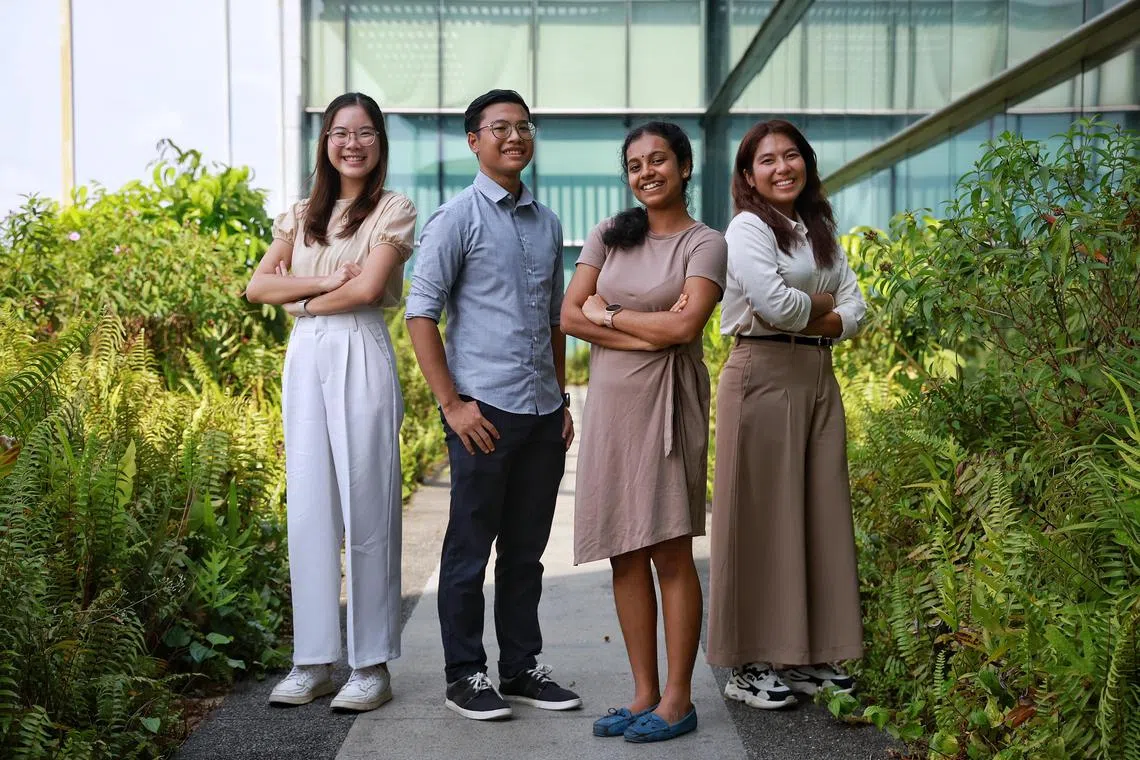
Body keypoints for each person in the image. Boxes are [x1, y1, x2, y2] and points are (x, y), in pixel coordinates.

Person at [404, 89, 580, 722]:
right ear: (475, 141)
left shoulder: (549, 221)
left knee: (526, 554)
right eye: (499, 127)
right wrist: (452, 405)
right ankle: (465, 674)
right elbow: (420, 314)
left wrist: (561, 399)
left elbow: (556, 319)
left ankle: (522, 668)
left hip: (539, 414)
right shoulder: (455, 218)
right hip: (483, 414)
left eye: (524, 127)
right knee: (469, 550)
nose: (515, 137)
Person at [245, 92, 416, 712]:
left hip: (360, 347)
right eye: (341, 133)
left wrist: (300, 299)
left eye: (365, 132)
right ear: (325, 142)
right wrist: (319, 284)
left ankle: (370, 665)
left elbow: (369, 288)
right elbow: (258, 286)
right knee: (312, 503)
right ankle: (313, 660)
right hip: (306, 356)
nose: (352, 143)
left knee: (367, 502)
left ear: (379, 142)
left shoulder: (393, 209)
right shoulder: (300, 214)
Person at [561, 122, 726, 743]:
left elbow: (686, 330)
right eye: (635, 165)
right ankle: (643, 693)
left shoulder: (706, 242)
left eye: (659, 160)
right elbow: (570, 314)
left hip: (668, 404)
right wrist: (644, 326)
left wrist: (612, 314)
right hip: (610, 406)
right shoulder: (609, 233)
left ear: (684, 166)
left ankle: (679, 699)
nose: (646, 172)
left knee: (668, 547)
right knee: (622, 548)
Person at [706, 119, 867, 710]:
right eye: (767, 160)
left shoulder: (818, 227)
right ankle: (746, 663)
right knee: (759, 516)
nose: (782, 168)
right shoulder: (748, 226)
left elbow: (859, 308)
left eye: (791, 156)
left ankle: (807, 656)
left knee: (820, 510)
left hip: (817, 375)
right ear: (749, 175)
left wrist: (815, 312)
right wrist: (825, 308)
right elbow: (772, 306)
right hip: (763, 375)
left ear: (807, 163)